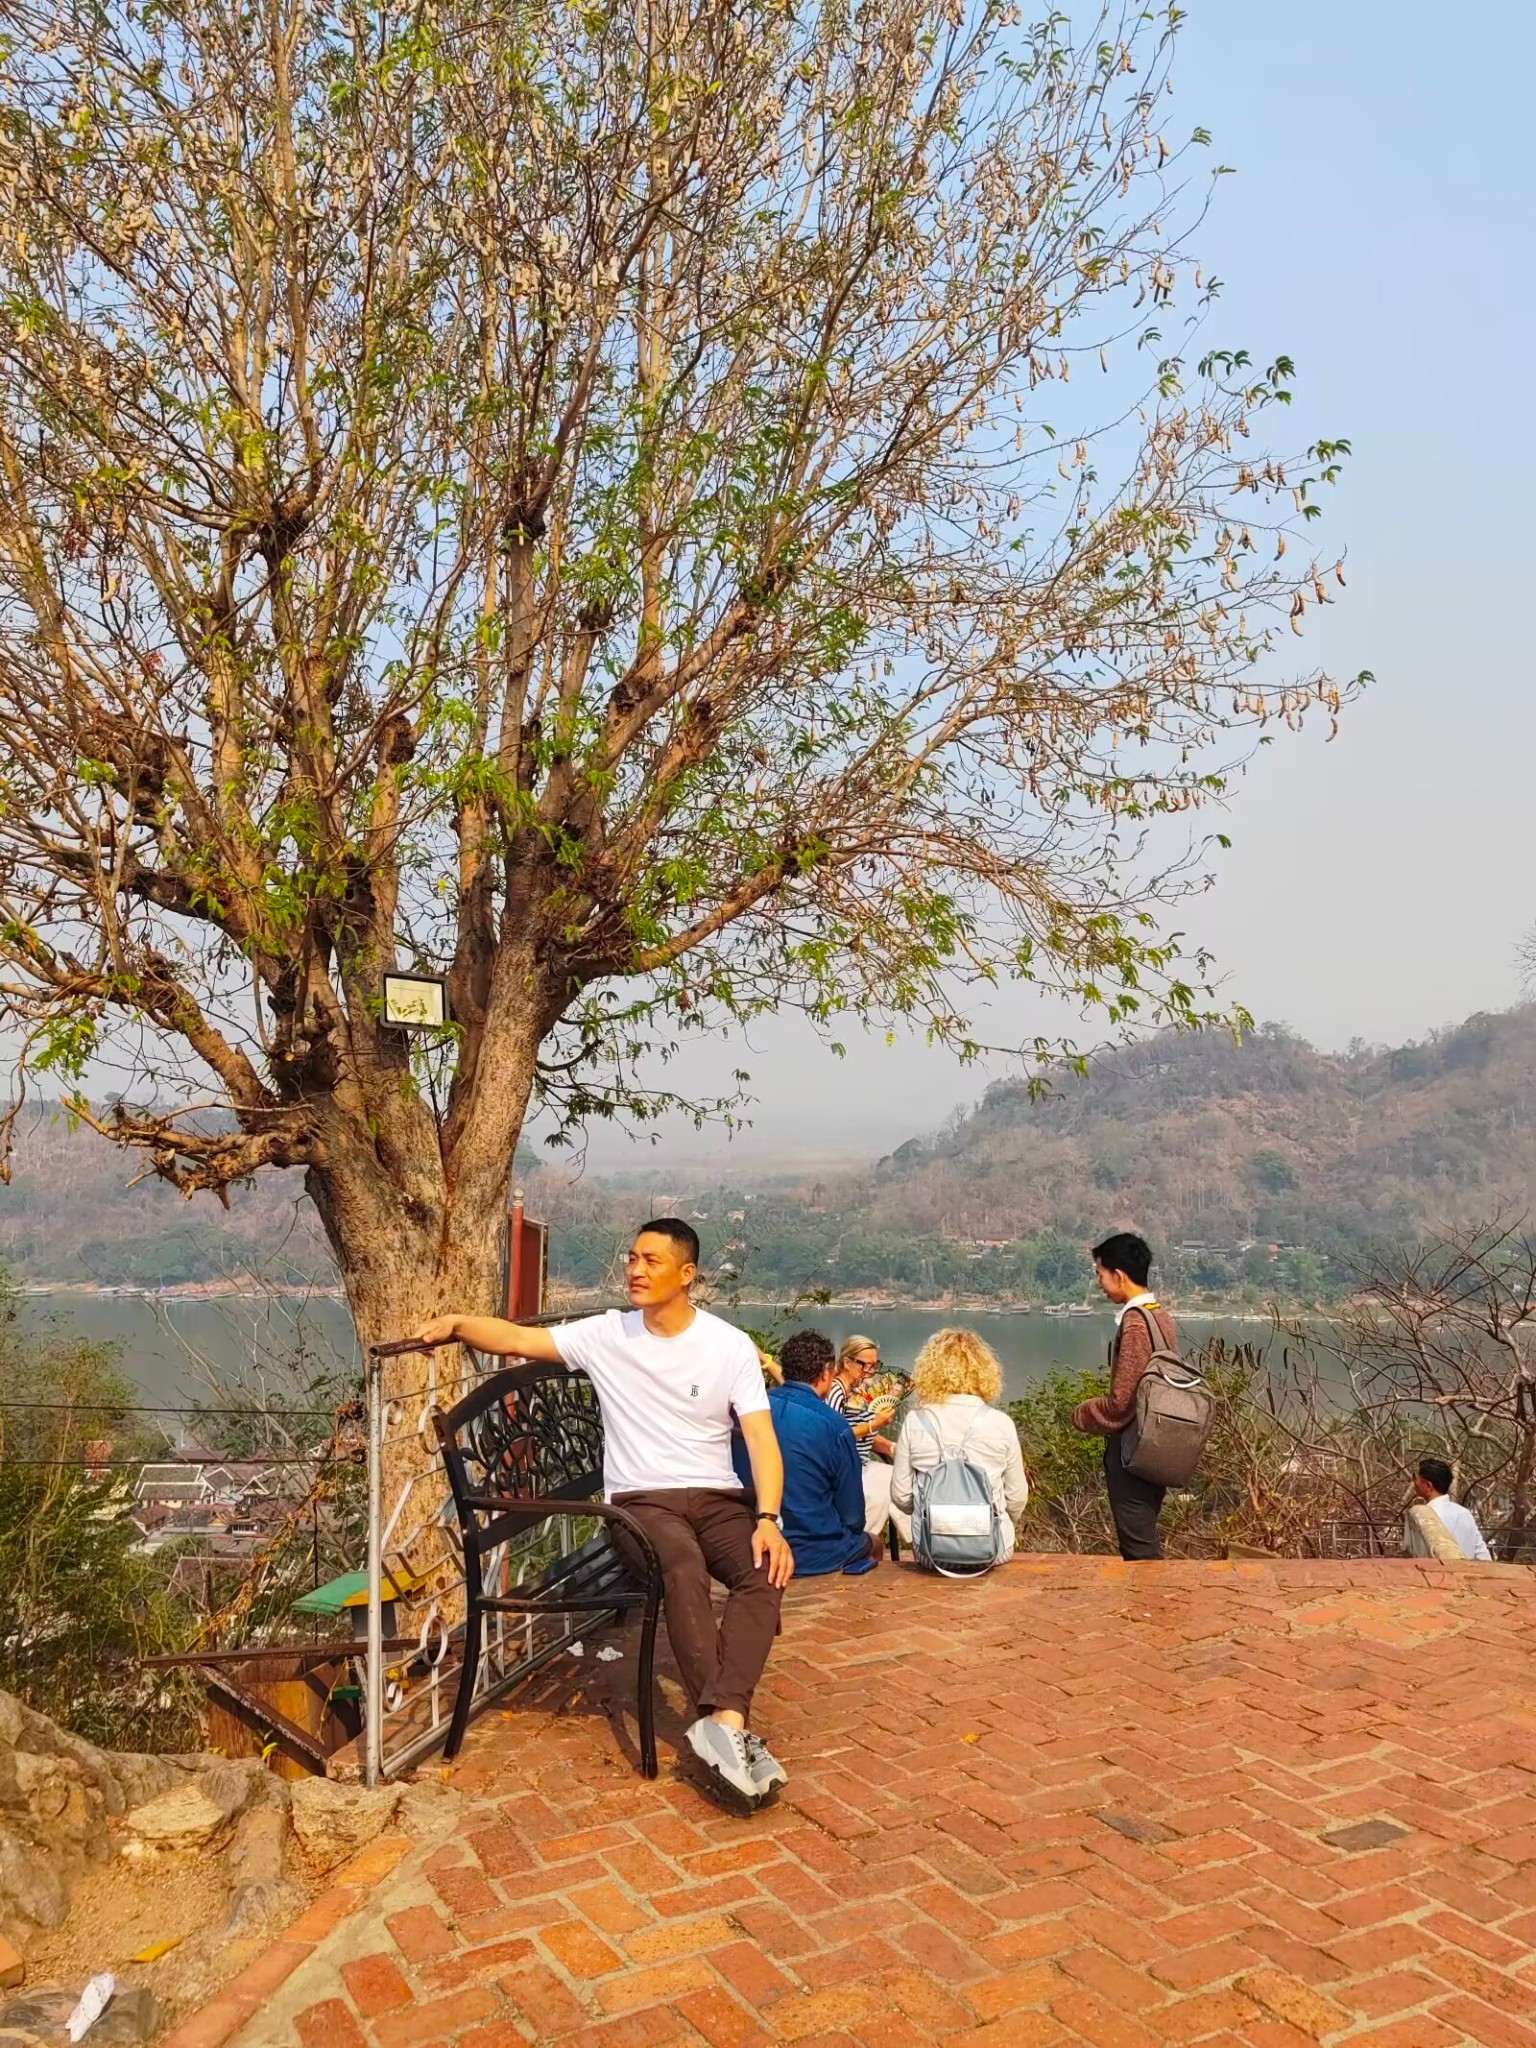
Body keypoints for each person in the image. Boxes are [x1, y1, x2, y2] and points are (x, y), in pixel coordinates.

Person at [412, 1218, 794, 1811]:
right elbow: (518, 1340)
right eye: (632, 1259)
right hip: (642, 1503)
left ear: (687, 1275)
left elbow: (762, 1442)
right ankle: (727, 1728)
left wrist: (768, 1518)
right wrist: (460, 1323)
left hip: (717, 1497)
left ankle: (724, 1722)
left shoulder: (729, 1346)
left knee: (763, 1570)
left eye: (651, 1261)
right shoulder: (608, 1335)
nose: (635, 1271)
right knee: (684, 1568)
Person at [734, 1330, 878, 1577]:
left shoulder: (749, 1412)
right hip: (815, 1552)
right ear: (826, 1372)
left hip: (751, 1543)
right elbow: (853, 1517)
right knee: (873, 1543)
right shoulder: (834, 1426)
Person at [1071, 1231, 1178, 1561]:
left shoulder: (1135, 1323)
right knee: (1142, 1536)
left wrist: (1081, 1414)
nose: (1100, 1284)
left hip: (1134, 1452)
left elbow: (1121, 1403)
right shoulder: (1159, 1314)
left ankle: (1150, 1608)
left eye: (1100, 1274)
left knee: (1139, 1548)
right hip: (1159, 1444)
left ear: (1118, 1275)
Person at [889, 1328, 1029, 1556]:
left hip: (930, 1552)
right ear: (984, 1371)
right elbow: (1017, 1497)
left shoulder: (915, 1421)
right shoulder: (1001, 1423)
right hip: (994, 1551)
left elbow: (901, 1496)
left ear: (930, 1370)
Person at [826, 1335, 897, 1538]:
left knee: (904, 1479)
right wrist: (874, 1424)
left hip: (861, 1463)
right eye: (865, 1365)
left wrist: (891, 1445)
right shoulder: (836, 1391)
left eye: (875, 1366)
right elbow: (834, 1436)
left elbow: (860, 1432)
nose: (870, 1372)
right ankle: (863, 1537)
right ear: (847, 1362)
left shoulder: (856, 1392)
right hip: (847, 1470)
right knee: (889, 1488)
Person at [1411, 1457, 1494, 1561]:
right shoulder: (1465, 1514)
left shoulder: (1423, 1519)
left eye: (1415, 1478)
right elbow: (1484, 1557)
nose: (1414, 1483)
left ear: (1428, 1486)